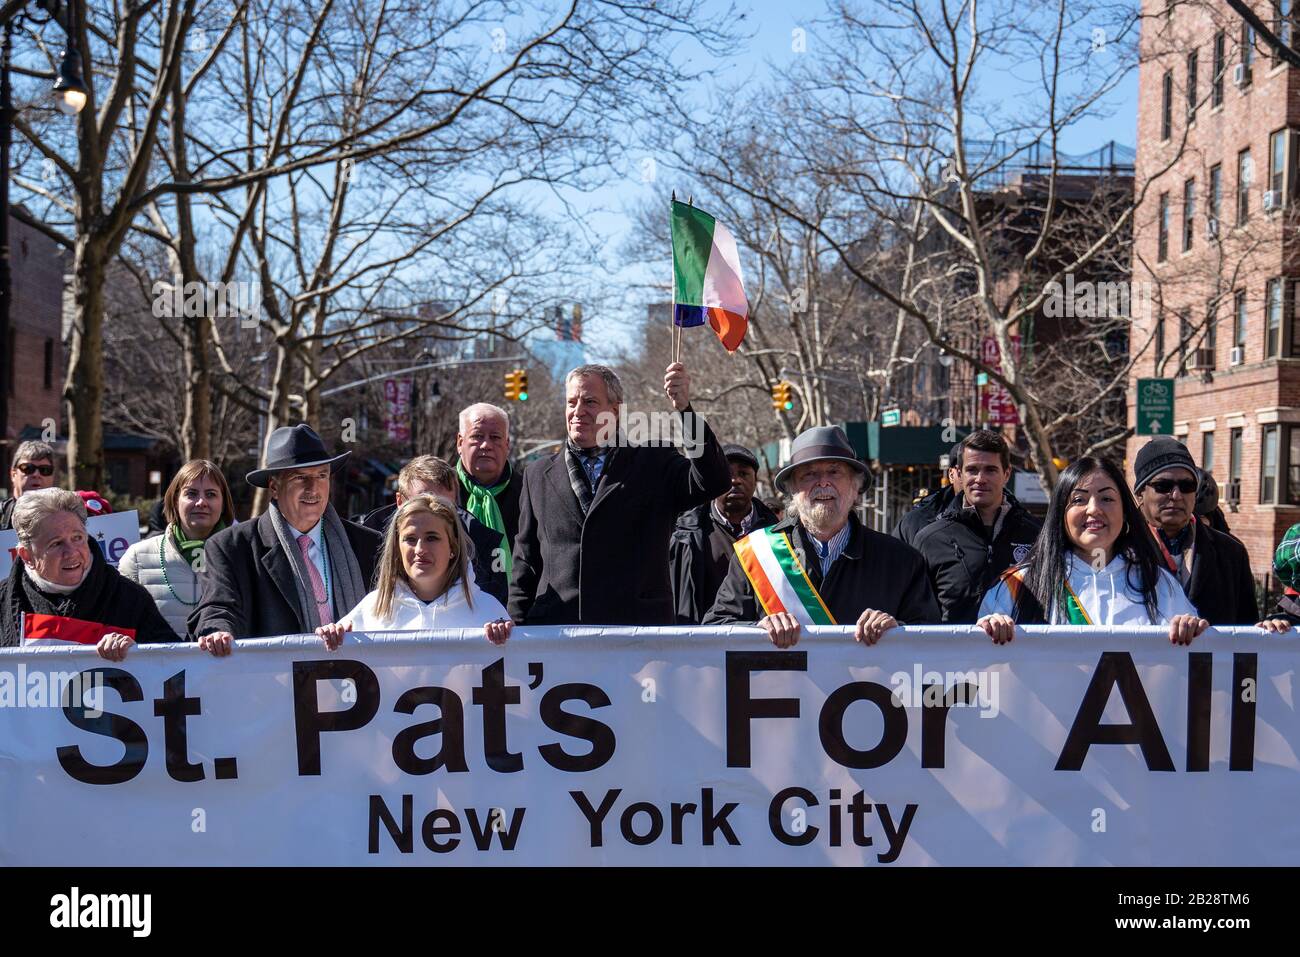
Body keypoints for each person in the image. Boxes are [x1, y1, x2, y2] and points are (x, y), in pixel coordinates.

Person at [509, 362, 730, 625]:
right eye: (571, 403)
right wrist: (516, 627)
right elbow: (526, 560)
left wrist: (685, 411)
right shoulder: (536, 473)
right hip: (558, 635)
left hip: (635, 635)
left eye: (590, 402)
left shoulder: (654, 462)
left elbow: (715, 481)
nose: (578, 411)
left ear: (614, 411)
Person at [705, 426, 940, 646]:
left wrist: (897, 630)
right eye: (809, 475)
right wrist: (758, 629)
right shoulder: (755, 553)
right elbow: (714, 630)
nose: (823, 482)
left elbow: (932, 641)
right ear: (792, 490)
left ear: (856, 486)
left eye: (834, 471)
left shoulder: (900, 560)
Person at [189, 424, 382, 654]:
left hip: (358, 680)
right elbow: (219, 606)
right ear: (274, 486)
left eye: (322, 475)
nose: (313, 488)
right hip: (275, 685)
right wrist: (218, 632)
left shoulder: (369, 545)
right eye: (300, 477)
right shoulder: (231, 548)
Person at [976, 456, 1209, 644]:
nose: (1093, 509)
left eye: (1107, 498)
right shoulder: (1018, 585)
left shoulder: (1157, 584)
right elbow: (985, 674)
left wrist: (1192, 630)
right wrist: (988, 631)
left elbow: (1191, 670)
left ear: (1125, 512)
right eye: (1079, 499)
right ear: (1060, 514)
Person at [1131, 437, 1287, 632]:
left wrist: (1265, 629)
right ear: (1139, 494)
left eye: (1187, 486)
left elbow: (1246, 635)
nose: (1177, 495)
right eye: (1164, 486)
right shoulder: (1120, 549)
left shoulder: (1231, 552)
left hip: (1209, 663)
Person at [317, 495, 512, 648]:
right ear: (397, 547)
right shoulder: (372, 608)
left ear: (453, 547)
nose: (420, 550)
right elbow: (337, 681)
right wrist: (332, 639)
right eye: (410, 539)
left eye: (432, 538)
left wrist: (507, 642)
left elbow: (519, 687)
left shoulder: (488, 610)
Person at [0, 488, 176, 656]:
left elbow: (173, 666)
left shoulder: (130, 598)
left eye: (77, 538)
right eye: (56, 543)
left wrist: (137, 653)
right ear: (27, 555)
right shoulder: (3, 599)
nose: (72, 552)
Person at [912, 430, 1042, 623]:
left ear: (1006, 474)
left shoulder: (1038, 535)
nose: (980, 479)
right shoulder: (930, 539)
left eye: (990, 470)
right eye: (972, 470)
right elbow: (916, 614)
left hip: (1021, 652)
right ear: (959, 474)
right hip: (954, 652)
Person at [357, 455, 507, 603]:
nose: (434, 513)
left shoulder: (481, 541)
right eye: (422, 503)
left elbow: (492, 606)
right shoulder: (366, 539)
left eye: (445, 507)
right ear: (400, 501)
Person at [119, 460, 236, 638]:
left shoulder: (244, 556)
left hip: (225, 665)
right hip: (157, 665)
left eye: (211, 494)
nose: (201, 502)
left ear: (224, 503)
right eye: (191, 494)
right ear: (175, 500)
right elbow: (120, 625)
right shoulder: (137, 558)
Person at [670, 443, 780, 623]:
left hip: (758, 642)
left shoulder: (778, 536)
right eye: (727, 474)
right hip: (698, 643)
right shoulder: (684, 535)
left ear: (755, 480)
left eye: (743, 474)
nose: (735, 480)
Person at [455, 403, 524, 577]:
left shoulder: (528, 493)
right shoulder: (441, 493)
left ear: (507, 444)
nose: (486, 445)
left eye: (495, 437)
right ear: (460, 442)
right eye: (477, 436)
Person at [893, 442, 964, 546]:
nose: (979, 477)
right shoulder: (916, 521)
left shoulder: (995, 521)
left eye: (990, 470)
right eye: (969, 469)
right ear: (951, 475)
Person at [0, 440, 58, 530]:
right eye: (28, 468)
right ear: (13, 474)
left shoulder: (67, 517)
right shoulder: (1, 514)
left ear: (52, 477)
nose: (36, 474)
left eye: (45, 470)